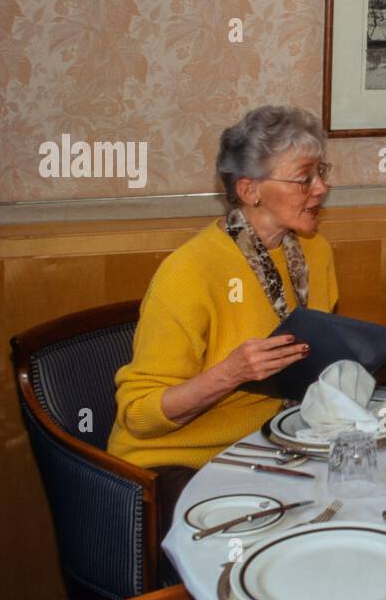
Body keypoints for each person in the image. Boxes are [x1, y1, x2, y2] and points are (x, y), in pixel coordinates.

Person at [107, 106, 338, 530]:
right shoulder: (190, 271)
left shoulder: (315, 251)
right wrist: (231, 373)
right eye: (305, 178)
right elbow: (138, 414)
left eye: (321, 171)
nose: (321, 188)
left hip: (273, 445)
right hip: (177, 464)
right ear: (250, 190)